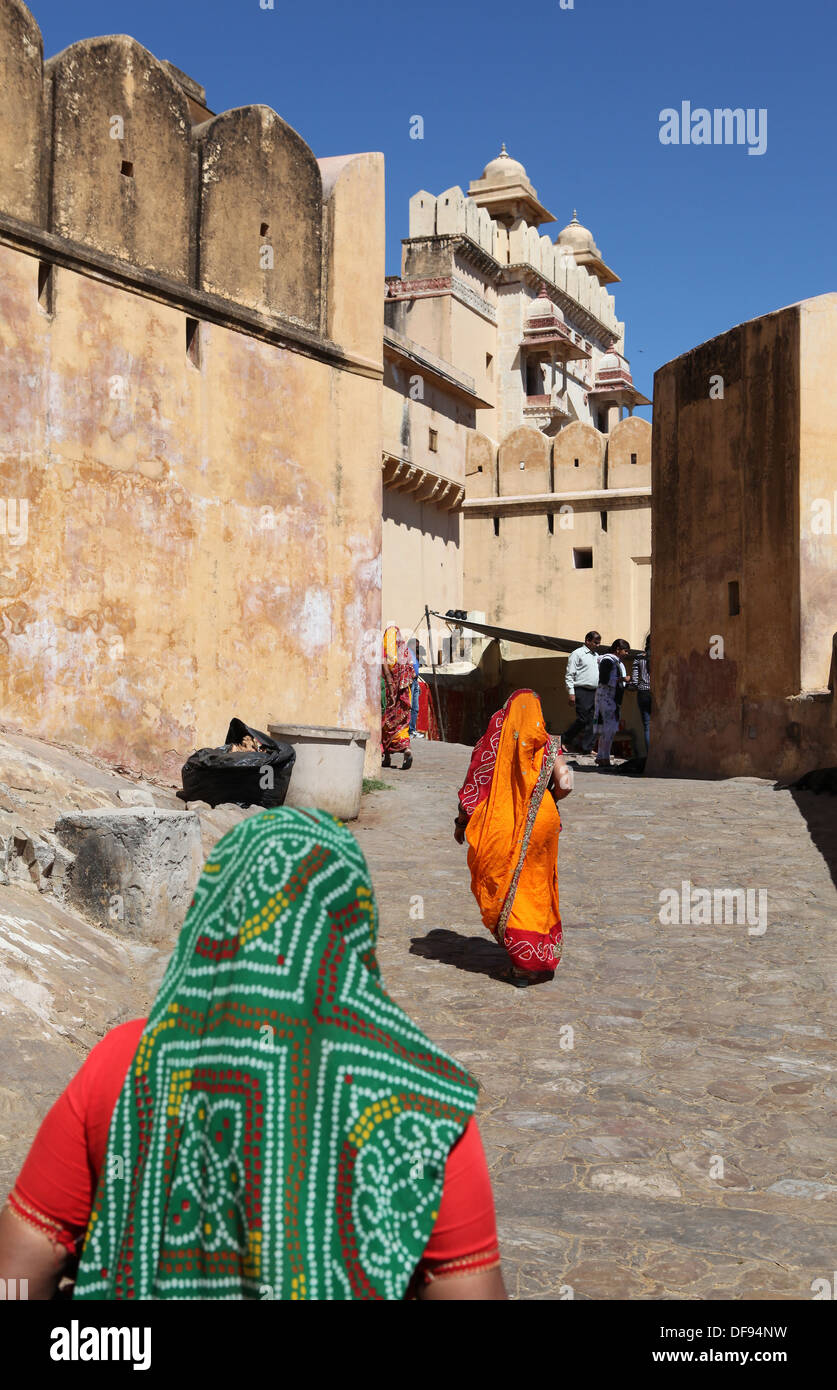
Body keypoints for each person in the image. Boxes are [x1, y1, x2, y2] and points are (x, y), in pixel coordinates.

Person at [0, 809, 506, 1301]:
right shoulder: (423, 1104)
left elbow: (21, 1267)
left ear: (213, 916)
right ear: (354, 924)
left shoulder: (127, 1060)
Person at [454, 689, 573, 988]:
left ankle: (524, 966)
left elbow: (474, 786)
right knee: (538, 885)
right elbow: (567, 784)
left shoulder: (493, 744)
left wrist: (461, 823)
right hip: (543, 818)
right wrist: (546, 800)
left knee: (511, 887)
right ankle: (541, 952)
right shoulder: (549, 744)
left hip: (504, 822)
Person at [562, 630, 601, 753]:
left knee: (593, 721)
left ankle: (587, 747)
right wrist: (571, 693)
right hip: (581, 690)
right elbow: (569, 675)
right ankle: (565, 739)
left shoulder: (597, 656)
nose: (598, 645)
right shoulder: (577, 654)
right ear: (587, 641)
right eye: (596, 642)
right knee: (583, 719)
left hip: (595, 691)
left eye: (599, 643)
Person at [382, 623, 414, 770]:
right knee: (401, 727)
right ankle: (406, 750)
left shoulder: (385, 657)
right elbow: (411, 675)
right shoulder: (404, 653)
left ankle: (386, 757)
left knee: (385, 725)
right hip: (403, 697)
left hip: (389, 696)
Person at [594, 639, 631, 766]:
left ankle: (603, 757)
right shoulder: (607, 661)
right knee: (607, 729)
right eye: (625, 651)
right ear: (617, 649)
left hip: (612, 699)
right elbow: (604, 679)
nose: (627, 654)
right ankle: (602, 757)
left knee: (610, 730)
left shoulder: (616, 662)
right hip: (606, 699)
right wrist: (622, 679)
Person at [628, 635, 651, 752]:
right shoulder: (662, 654)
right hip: (659, 694)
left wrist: (630, 685)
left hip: (643, 693)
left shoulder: (639, 657)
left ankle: (650, 756)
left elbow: (635, 681)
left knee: (647, 726)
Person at [407, 639, 422, 740]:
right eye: (416, 645)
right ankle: (409, 730)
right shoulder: (408, 652)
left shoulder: (414, 654)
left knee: (415, 708)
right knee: (411, 706)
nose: (417, 647)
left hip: (415, 681)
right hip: (411, 681)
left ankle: (412, 730)